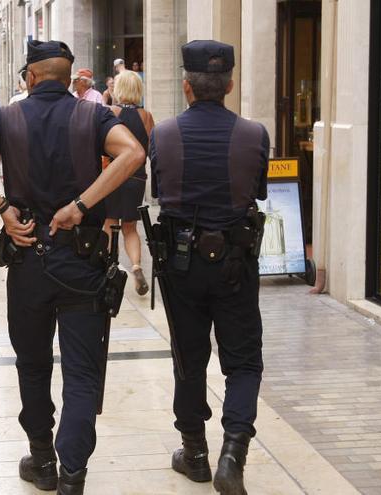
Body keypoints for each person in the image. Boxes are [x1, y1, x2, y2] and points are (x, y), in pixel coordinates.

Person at [0, 40, 145, 495]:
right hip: (83, 260)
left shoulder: (6, 117)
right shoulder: (92, 116)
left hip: (29, 259)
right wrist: (81, 204)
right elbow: (132, 153)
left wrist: (0, 206)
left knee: (32, 365)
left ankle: (42, 460)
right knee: (81, 371)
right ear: (70, 77)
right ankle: (73, 473)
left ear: (30, 78)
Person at [150, 40, 269, 495]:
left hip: (181, 261)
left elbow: (160, 190)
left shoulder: (162, 134)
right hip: (236, 262)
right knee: (243, 362)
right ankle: (232, 454)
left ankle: (194, 452)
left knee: (189, 357)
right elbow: (257, 190)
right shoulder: (254, 134)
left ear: (187, 86)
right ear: (230, 85)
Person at [103, 70, 153, 295]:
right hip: (137, 178)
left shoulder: (111, 112)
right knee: (130, 228)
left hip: (113, 176)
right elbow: (152, 149)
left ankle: (107, 266)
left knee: (109, 224)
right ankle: (136, 266)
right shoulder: (146, 116)